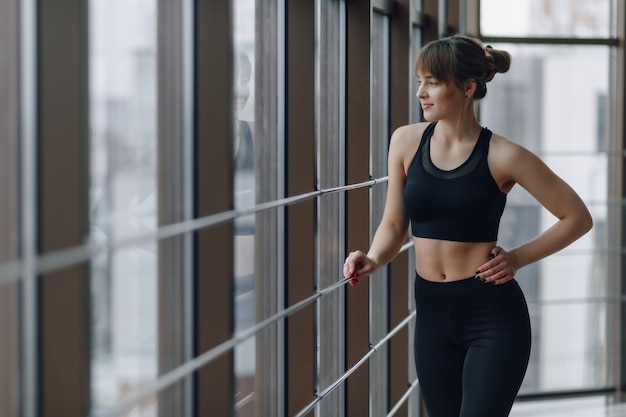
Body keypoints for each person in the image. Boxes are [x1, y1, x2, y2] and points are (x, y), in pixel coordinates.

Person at [342, 34, 593, 417]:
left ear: (467, 87)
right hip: (431, 314)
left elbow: (577, 216)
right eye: (419, 81)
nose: (420, 93)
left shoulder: (503, 154)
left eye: (432, 82)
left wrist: (516, 258)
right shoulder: (405, 142)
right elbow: (394, 223)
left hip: (491, 316)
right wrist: (373, 257)